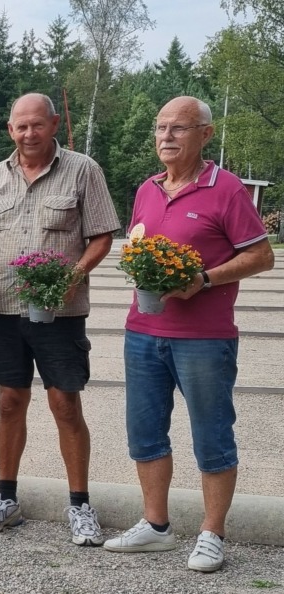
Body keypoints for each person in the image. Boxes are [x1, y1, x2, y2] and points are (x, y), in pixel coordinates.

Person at [103, 96, 275, 571]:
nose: (166, 137)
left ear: (205, 133)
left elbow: (262, 256)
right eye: (161, 128)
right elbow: (139, 246)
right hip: (142, 330)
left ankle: (212, 533)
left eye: (179, 128)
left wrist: (203, 280)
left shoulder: (228, 189)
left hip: (204, 337)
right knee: (144, 432)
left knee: (212, 435)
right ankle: (155, 526)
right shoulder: (147, 189)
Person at [0, 93, 120, 545]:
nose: (29, 133)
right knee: (9, 403)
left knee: (65, 406)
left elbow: (101, 235)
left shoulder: (83, 170)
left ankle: (79, 505)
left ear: (54, 124)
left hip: (60, 311)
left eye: (37, 125)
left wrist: (74, 276)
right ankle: (6, 498)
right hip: (3, 311)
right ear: (10, 129)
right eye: (20, 126)